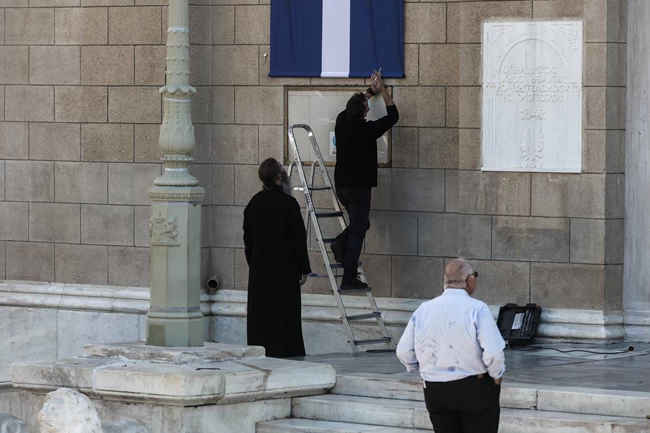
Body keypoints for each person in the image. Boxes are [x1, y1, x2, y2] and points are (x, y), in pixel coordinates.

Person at [396, 258, 506, 433]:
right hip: (473, 386)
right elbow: (493, 352)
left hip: (434, 388)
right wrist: (496, 374)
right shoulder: (477, 308)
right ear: (470, 280)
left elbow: (403, 351)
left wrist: (420, 368)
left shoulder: (424, 309)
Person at [332, 70, 399, 290]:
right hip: (359, 186)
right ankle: (348, 277)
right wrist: (384, 92)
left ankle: (340, 243)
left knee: (360, 224)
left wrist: (371, 91)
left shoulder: (341, 120)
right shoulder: (366, 130)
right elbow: (393, 117)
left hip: (341, 184)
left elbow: (353, 106)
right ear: (364, 114)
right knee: (359, 228)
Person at [243, 158, 312, 358]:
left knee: (262, 313)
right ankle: (286, 350)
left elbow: (248, 240)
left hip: (260, 265)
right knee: (284, 312)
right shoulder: (288, 203)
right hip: (284, 265)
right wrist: (303, 268)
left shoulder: (253, 203)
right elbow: (298, 238)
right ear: (279, 177)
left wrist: (254, 262)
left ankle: (261, 350)